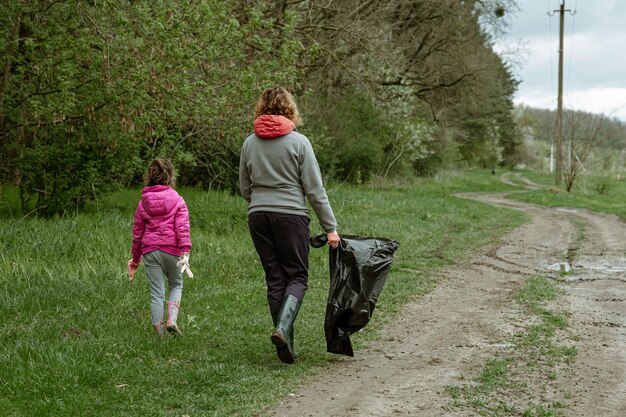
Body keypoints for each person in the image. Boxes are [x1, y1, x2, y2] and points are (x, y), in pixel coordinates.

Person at [239, 87, 340, 364]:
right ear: (290, 109)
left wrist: (262, 199)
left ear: (261, 109)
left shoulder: (249, 143)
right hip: (291, 216)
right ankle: (282, 329)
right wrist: (330, 227)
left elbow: (245, 188)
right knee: (297, 277)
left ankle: (287, 345)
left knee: (275, 277)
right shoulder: (299, 143)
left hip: (258, 215)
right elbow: (315, 190)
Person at [127, 159, 193, 336]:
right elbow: (182, 227)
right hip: (172, 250)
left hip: (150, 251)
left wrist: (135, 259)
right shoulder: (177, 200)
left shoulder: (143, 203)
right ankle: (172, 320)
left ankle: (159, 332)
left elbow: (137, 233)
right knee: (176, 284)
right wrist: (185, 251)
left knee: (157, 292)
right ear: (170, 177)